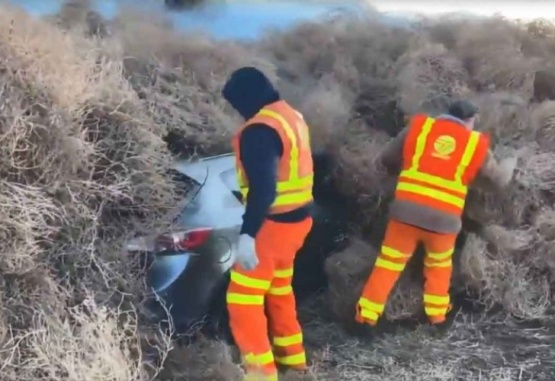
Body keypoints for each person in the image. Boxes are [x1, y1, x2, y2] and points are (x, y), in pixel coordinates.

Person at [355, 100, 518, 331]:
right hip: (443, 222)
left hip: (405, 214)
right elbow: (498, 180)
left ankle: (366, 316)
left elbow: (387, 160)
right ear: (470, 120)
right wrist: (512, 161)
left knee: (388, 263)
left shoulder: (419, 128)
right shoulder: (475, 144)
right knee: (439, 266)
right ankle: (437, 318)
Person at [222, 66, 316, 381]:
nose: (238, 113)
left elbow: (265, 188)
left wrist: (248, 235)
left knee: (242, 302)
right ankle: (295, 361)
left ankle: (261, 375)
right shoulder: (291, 116)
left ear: (246, 98)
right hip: (298, 221)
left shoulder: (259, 131)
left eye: (236, 104)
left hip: (272, 228)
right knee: (279, 289)